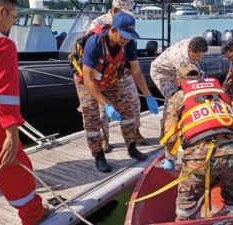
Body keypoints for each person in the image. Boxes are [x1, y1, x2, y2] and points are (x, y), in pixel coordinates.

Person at [71, 12, 157, 173]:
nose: (126, 39)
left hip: (111, 78)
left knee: (128, 109)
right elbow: (88, 79)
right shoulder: (95, 43)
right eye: (123, 35)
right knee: (91, 117)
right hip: (87, 82)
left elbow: (136, 71)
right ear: (113, 30)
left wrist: (149, 95)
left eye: (129, 36)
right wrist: (106, 105)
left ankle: (131, 147)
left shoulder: (129, 44)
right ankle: (98, 155)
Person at [161, 64, 233, 221]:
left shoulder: (179, 97)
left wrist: (169, 159)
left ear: (179, 80)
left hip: (199, 158)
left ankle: (184, 220)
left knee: (186, 203)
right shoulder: (220, 93)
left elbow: (170, 135)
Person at [0, 0, 47, 224]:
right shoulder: (0, 44)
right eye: (14, 18)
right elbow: (4, 94)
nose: (13, 23)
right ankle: (33, 214)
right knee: (14, 167)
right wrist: (11, 133)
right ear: (1, 11)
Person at [87, 0, 157, 153]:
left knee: (131, 102)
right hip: (97, 71)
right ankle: (103, 140)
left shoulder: (128, 34)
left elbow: (135, 69)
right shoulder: (97, 27)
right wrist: (104, 101)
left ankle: (133, 133)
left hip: (118, 70)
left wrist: (148, 96)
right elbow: (89, 66)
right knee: (100, 109)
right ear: (114, 10)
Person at [150, 37, 208, 137]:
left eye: (202, 56)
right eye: (198, 56)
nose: (200, 59)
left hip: (172, 67)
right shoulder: (181, 59)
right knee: (174, 99)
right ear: (190, 51)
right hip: (162, 72)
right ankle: (166, 132)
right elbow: (184, 83)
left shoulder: (193, 42)